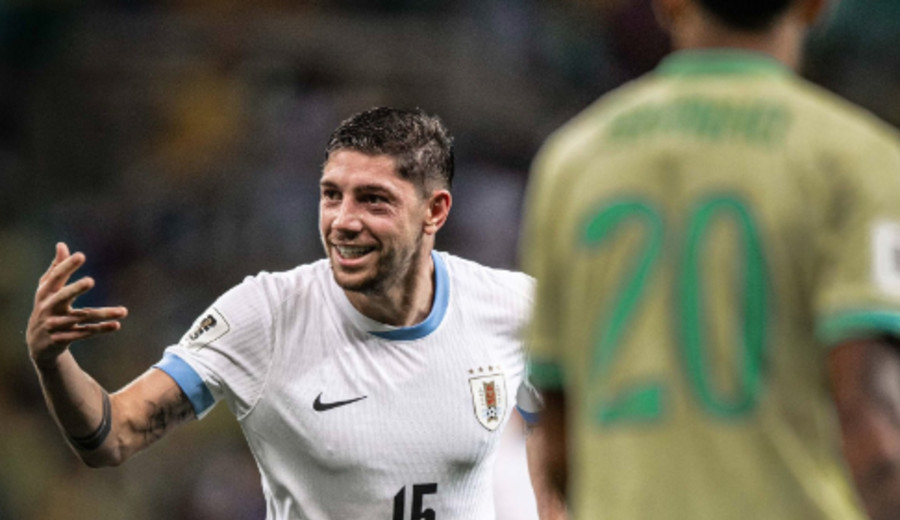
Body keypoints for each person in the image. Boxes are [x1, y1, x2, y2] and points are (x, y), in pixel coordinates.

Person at [26, 107, 542, 519]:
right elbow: (113, 435)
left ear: (435, 211)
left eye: (373, 201)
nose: (343, 221)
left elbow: (564, 440)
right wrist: (52, 361)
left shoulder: (512, 308)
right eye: (331, 195)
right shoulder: (266, 316)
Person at [521, 0, 900, 518]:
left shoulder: (570, 161)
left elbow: (559, 436)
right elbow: (870, 417)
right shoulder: (860, 160)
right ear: (816, 6)